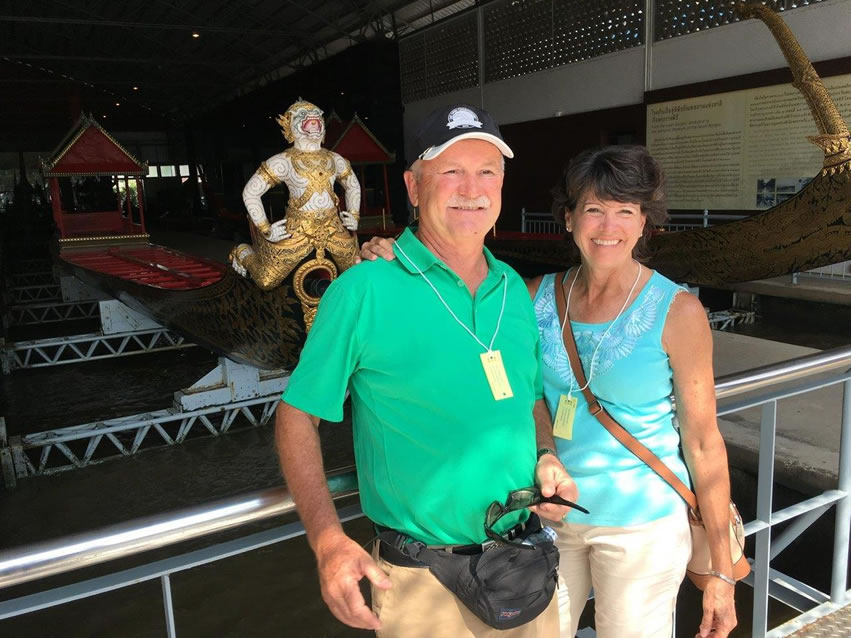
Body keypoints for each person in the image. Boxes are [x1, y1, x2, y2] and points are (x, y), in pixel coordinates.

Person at [359, 145, 738, 638]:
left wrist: (722, 572)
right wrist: (390, 259)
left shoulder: (677, 311)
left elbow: (705, 443)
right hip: (544, 521)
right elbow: (463, 314)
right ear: (568, 219)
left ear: (645, 224)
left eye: (626, 212)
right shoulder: (532, 295)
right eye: (594, 210)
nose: (608, 227)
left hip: (642, 526)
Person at [276, 103, 578, 638]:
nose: (472, 188)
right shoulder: (364, 289)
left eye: (487, 172)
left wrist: (546, 455)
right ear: (414, 188)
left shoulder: (511, 286)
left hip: (522, 556)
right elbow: (297, 416)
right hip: (422, 579)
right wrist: (327, 540)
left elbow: (530, 396)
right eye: (451, 172)